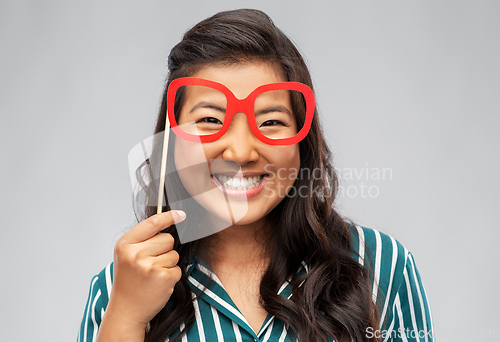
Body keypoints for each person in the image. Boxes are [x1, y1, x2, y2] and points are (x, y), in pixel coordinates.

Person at [78, 9, 434, 342]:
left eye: (271, 122)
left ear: (303, 140)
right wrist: (126, 317)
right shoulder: (118, 289)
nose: (241, 153)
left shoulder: (381, 266)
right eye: (210, 120)